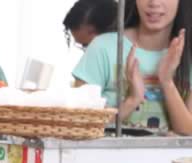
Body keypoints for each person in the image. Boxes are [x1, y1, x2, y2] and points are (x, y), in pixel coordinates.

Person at [74, 0, 192, 134]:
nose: (153, 3)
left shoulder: (187, 54)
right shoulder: (103, 48)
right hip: (108, 155)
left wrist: (167, 81)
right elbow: (79, 126)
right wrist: (132, 100)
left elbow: (188, 132)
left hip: (172, 156)